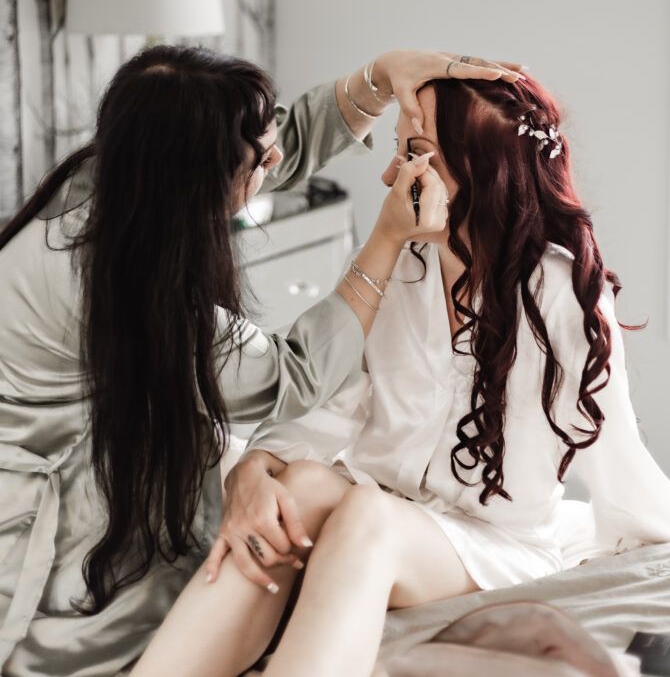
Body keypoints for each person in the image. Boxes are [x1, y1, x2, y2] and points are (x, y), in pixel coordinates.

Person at [132, 73, 670, 677]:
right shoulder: (398, 265)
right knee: (304, 490)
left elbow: (614, 448)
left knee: (369, 516)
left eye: (414, 155)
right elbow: (331, 401)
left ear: (480, 173)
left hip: (488, 545)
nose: (391, 176)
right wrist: (260, 467)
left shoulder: (562, 294)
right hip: (375, 497)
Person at [0, 44, 519, 676]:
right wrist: (385, 242)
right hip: (59, 499)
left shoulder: (128, 172)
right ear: (197, 175)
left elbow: (278, 145)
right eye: (254, 159)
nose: (273, 161)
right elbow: (292, 377)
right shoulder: (120, 275)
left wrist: (382, 76)